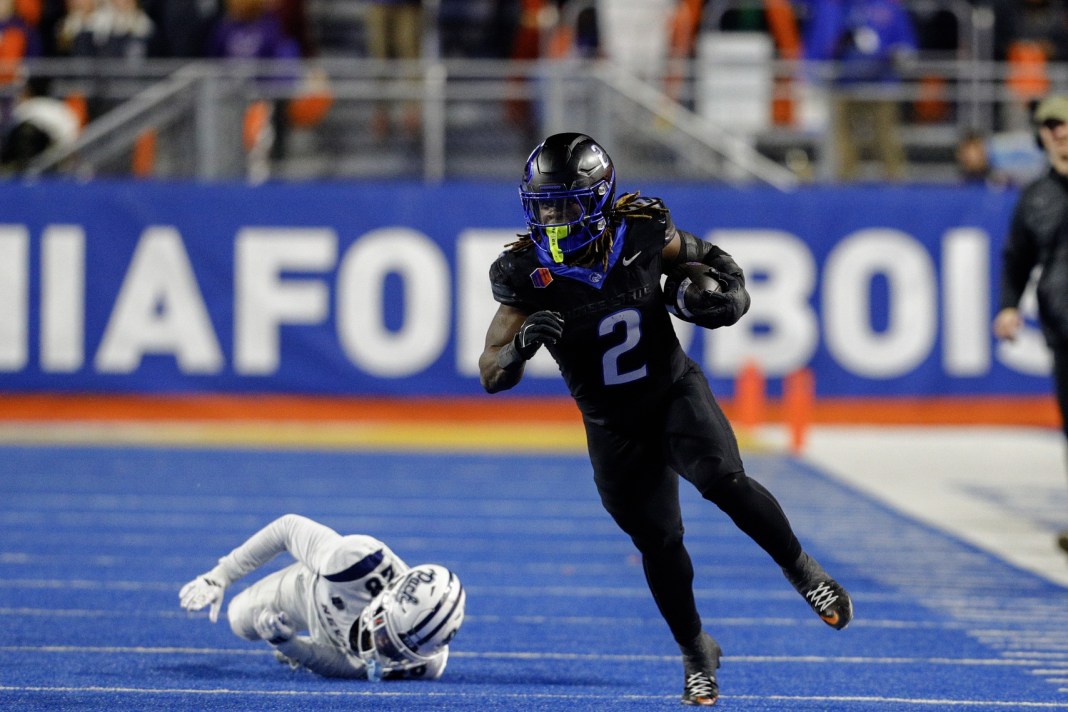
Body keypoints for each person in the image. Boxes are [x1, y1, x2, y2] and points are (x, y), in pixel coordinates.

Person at [478, 133, 854, 706]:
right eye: (544, 205)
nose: (553, 218)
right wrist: (519, 348)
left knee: (724, 482)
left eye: (565, 203)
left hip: (672, 393)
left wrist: (727, 300)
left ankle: (804, 572)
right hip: (611, 426)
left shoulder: (643, 229)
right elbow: (490, 370)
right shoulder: (524, 273)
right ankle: (696, 650)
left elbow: (716, 265)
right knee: (660, 544)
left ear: (599, 200)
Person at [178, 513, 466, 680]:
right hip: (309, 593)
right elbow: (287, 527)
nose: (385, 652)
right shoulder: (353, 561)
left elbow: (351, 667)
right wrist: (221, 574)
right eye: (388, 640)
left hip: (336, 632)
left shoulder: (426, 663)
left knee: (276, 637)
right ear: (385, 599)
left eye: (398, 650)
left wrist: (293, 646)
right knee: (239, 619)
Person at [993, 94, 1068, 558]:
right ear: (1042, 136)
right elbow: (1016, 257)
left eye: (1067, 123)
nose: (1061, 131)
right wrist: (1008, 305)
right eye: (1052, 125)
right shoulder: (1036, 197)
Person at [801, 0, 918, 181]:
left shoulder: (889, 7)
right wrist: (842, 42)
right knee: (844, 139)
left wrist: (889, 53)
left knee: (885, 137)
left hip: (881, 86)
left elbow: (906, 48)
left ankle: (895, 185)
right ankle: (847, 186)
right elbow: (823, 46)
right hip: (845, 84)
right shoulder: (838, 7)